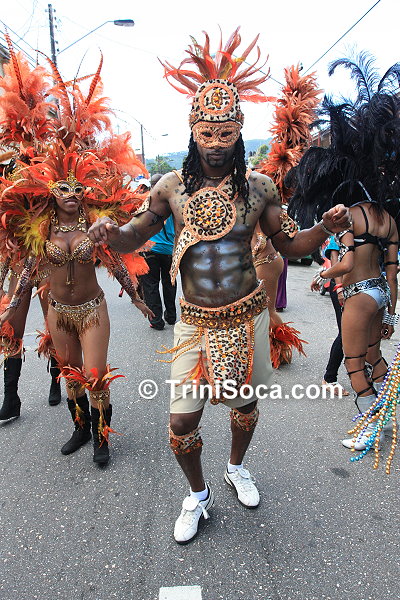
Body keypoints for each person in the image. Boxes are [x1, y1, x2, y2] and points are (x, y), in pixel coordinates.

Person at [88, 28, 350, 542]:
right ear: (193, 132)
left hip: (246, 317)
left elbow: (290, 244)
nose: (214, 144)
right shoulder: (170, 187)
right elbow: (134, 235)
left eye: (225, 133)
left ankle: (235, 466)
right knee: (181, 424)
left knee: (244, 407)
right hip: (193, 322)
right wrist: (109, 233)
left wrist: (325, 227)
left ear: (238, 132)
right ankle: (198, 495)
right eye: (206, 133)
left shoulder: (259, 188)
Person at [0, 39, 151, 465]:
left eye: (77, 188)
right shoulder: (41, 228)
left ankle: (103, 437)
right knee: (70, 375)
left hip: (91, 309)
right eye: (62, 188)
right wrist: (10, 305)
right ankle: (81, 428)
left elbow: (116, 263)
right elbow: (28, 272)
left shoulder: (97, 228)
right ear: (51, 191)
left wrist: (137, 298)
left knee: (95, 375)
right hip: (58, 312)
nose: (70, 194)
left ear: (85, 192)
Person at [288, 50, 400, 457]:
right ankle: (389, 414)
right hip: (381, 295)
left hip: (357, 295)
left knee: (355, 364)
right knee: (375, 357)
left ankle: (371, 430)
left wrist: (325, 275)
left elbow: (348, 262)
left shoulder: (351, 215)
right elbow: (393, 273)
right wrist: (390, 314)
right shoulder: (389, 219)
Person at [252, 224, 306, 368]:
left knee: (267, 310)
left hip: (266, 261)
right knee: (259, 311)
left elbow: (292, 231)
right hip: (264, 260)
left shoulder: (261, 212)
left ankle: (280, 353)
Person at [310, 236, 349, 396]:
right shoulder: (342, 232)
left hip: (364, 289)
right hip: (342, 289)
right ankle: (329, 378)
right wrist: (339, 288)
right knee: (345, 333)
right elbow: (335, 260)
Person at [139, 173, 177, 330]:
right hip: (169, 250)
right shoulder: (172, 201)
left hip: (149, 250)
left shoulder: (144, 201)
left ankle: (156, 321)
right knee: (170, 284)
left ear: (151, 185)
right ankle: (171, 316)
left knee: (150, 286)